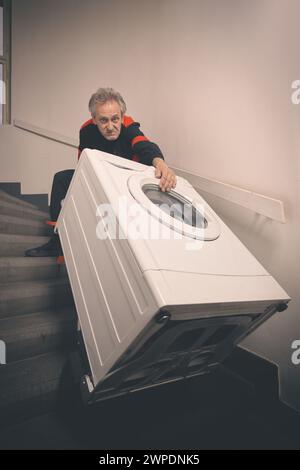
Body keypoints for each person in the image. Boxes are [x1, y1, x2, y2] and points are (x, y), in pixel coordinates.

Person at [25, 87, 176, 257]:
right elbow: (83, 162)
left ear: (122, 116)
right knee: (61, 179)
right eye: (103, 120)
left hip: (126, 179)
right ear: (94, 119)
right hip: (100, 176)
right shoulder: (86, 130)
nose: (110, 126)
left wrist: (160, 163)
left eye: (115, 119)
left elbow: (144, 145)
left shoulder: (129, 125)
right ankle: (57, 241)